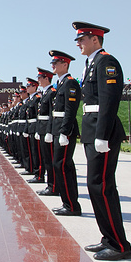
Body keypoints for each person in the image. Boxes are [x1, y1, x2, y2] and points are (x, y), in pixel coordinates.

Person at [72, 20, 131, 261]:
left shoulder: (106, 61)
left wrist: (103, 134)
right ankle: (108, 238)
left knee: (103, 187)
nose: (79, 44)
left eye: (82, 39)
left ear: (95, 39)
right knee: (96, 187)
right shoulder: (91, 63)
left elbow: (109, 101)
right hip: (91, 128)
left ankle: (119, 244)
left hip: (101, 130)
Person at [48, 50, 82, 216]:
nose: (53, 66)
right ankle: (67, 202)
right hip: (57, 127)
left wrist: (64, 132)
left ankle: (71, 205)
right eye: (52, 63)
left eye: (56, 63)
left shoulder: (70, 83)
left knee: (63, 165)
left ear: (65, 64)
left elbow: (70, 110)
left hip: (64, 130)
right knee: (59, 165)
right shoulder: (61, 84)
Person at [35, 67, 58, 196]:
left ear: (46, 78)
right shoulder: (44, 93)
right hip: (42, 128)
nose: (38, 80)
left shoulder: (51, 92)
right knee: (46, 159)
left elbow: (51, 114)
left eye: (40, 77)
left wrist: (49, 130)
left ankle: (53, 186)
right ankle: (51, 185)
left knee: (50, 159)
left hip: (48, 129)